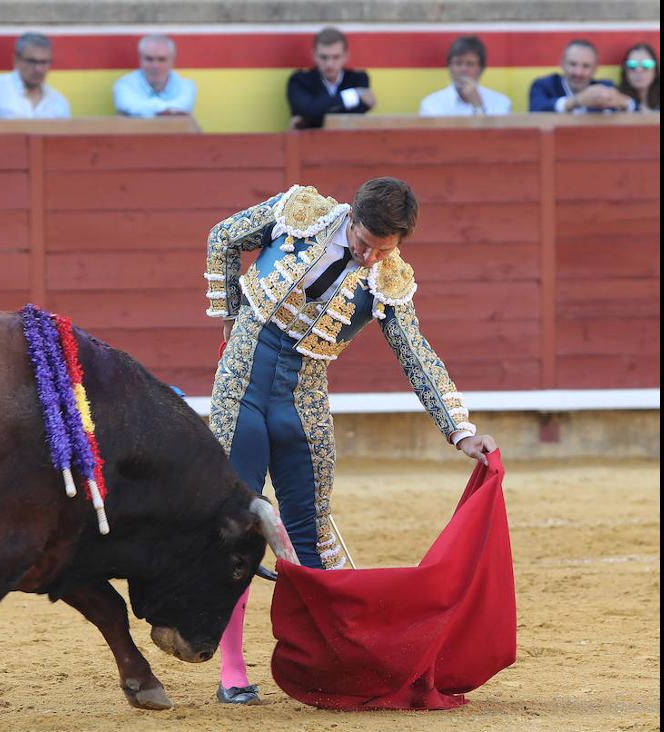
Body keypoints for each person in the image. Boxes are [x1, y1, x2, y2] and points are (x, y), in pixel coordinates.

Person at [202, 178, 497, 705]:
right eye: (363, 244)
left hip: (302, 399)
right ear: (350, 219)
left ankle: (325, 663)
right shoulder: (301, 211)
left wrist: (461, 430)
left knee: (309, 527)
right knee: (236, 521)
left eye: (384, 250)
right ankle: (231, 668)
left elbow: (417, 354)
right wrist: (229, 318)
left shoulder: (389, 278)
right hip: (241, 383)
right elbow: (224, 237)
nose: (368, 258)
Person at [286, 27, 374, 129]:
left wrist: (312, 114)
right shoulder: (300, 80)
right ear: (314, 55)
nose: (329, 64)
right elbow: (306, 109)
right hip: (310, 143)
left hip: (348, 142)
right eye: (324, 57)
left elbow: (358, 112)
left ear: (346, 56)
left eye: (336, 57)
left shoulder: (358, 78)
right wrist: (351, 95)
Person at [0, 32, 71, 119]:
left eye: (43, 62)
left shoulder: (58, 101)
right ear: (16, 61)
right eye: (31, 61)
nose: (38, 69)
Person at [529, 39, 632, 113]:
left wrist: (624, 103)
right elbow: (536, 109)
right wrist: (576, 101)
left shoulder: (605, 87)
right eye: (573, 64)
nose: (578, 72)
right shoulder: (543, 85)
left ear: (595, 69)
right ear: (562, 63)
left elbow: (635, 108)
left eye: (586, 66)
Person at [419, 36, 512, 116]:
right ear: (450, 67)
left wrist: (478, 106)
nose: (463, 69)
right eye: (458, 63)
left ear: (481, 69)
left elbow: (495, 136)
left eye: (470, 64)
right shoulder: (431, 103)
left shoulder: (500, 102)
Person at [113, 34, 197, 117]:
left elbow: (183, 108)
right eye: (149, 59)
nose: (155, 65)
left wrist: (143, 110)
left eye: (161, 59)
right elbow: (126, 105)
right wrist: (168, 111)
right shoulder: (124, 85)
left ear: (172, 61)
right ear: (140, 59)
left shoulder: (186, 86)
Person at [616, 42, 660, 111]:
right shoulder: (615, 99)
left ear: (655, 70)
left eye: (646, 64)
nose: (639, 70)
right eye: (632, 65)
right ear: (625, 70)